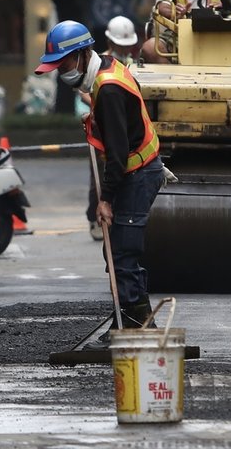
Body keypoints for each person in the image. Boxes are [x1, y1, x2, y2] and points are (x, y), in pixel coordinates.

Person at [35, 20, 165, 345]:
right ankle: (133, 320)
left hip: (139, 171)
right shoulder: (104, 69)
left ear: (80, 54)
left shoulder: (107, 88)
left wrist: (104, 200)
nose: (60, 72)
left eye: (62, 64)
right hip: (134, 169)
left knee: (122, 252)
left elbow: (118, 156)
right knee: (117, 251)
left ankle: (137, 326)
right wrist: (93, 119)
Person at [84, 16, 140, 241]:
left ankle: (117, 212)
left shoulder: (133, 63)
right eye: (120, 44)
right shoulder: (99, 62)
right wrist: (101, 105)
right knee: (99, 173)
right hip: (101, 126)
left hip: (123, 123)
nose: (124, 48)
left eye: (127, 45)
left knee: (122, 168)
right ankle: (94, 217)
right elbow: (85, 90)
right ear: (110, 41)